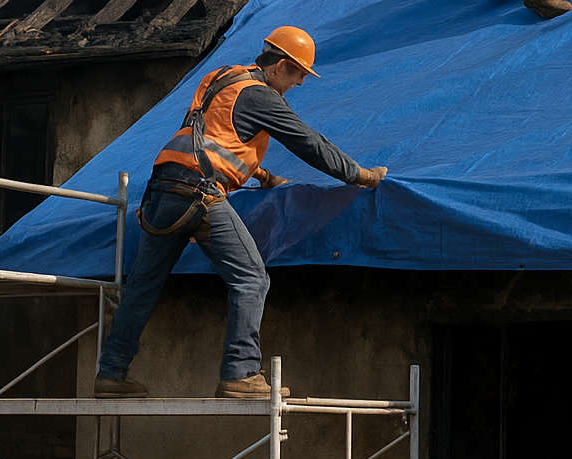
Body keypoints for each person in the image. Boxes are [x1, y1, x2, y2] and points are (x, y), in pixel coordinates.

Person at [93, 26, 387, 399]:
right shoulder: (261, 96)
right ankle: (240, 373)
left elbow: (212, 136)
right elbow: (310, 143)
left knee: (143, 286)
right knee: (252, 278)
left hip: (162, 189)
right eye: (298, 75)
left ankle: (111, 374)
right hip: (198, 192)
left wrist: (262, 175)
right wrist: (360, 175)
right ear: (281, 66)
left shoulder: (222, 77)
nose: (297, 84)